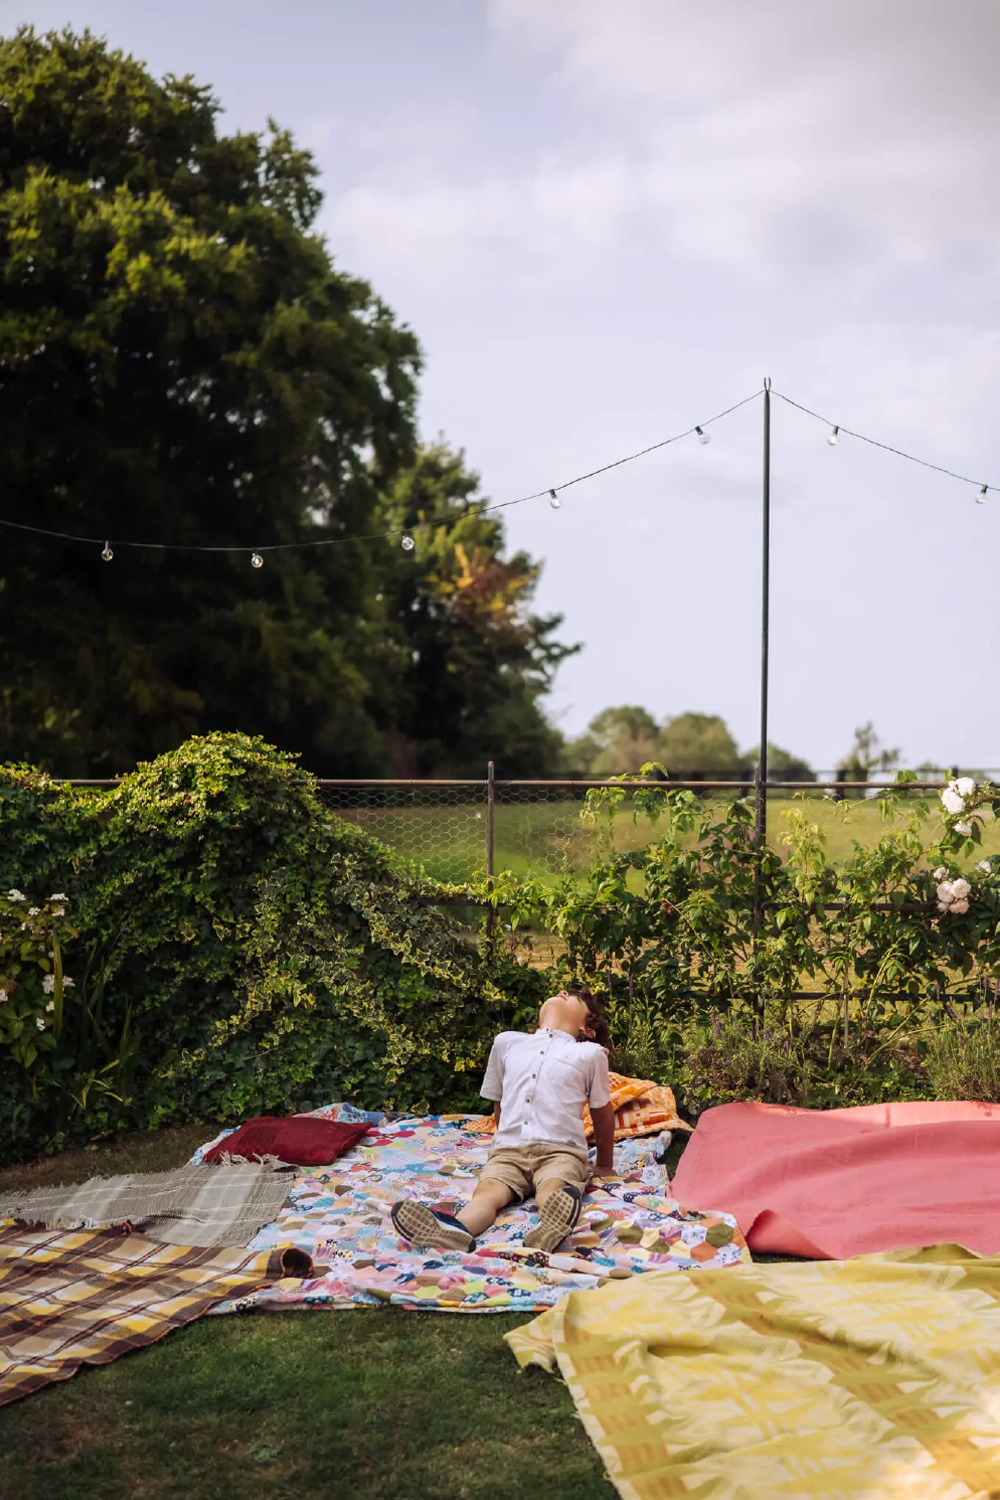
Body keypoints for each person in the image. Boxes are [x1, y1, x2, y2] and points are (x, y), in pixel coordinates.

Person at [390, 989, 617, 1255]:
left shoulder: (589, 1053)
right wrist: (506, 1141)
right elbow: (500, 1102)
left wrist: (604, 1164)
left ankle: (549, 1229)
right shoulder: (507, 1042)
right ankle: (453, 1232)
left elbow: (602, 1112)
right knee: (487, 1193)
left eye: (573, 997)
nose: (562, 992)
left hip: (561, 1150)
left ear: (587, 1028)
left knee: (554, 1191)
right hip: (509, 1150)